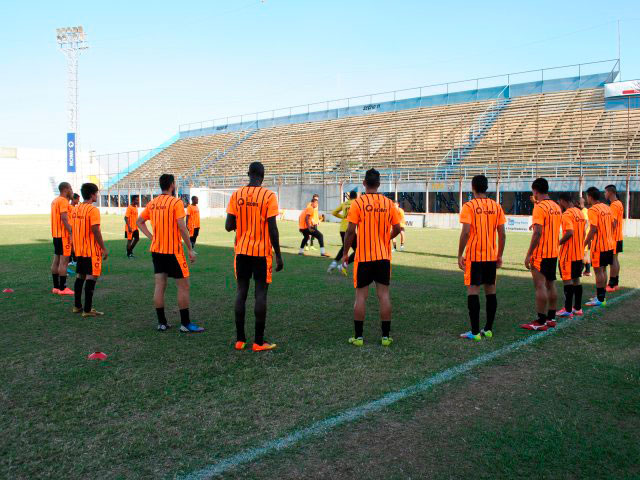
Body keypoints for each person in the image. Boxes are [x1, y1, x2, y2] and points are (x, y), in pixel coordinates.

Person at [225, 162, 284, 351]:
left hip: (241, 251)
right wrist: (279, 256)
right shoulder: (268, 196)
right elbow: (273, 229)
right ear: (263, 176)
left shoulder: (237, 194)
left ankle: (240, 340)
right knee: (260, 294)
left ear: (248, 174)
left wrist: (242, 222)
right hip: (261, 253)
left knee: (241, 293)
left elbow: (228, 225)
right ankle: (258, 342)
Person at [137, 174, 203, 333]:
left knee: (160, 285)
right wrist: (190, 249)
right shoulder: (176, 202)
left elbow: (139, 221)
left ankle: (162, 323)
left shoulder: (152, 203)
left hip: (157, 251)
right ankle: (185, 324)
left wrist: (152, 237)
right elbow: (182, 227)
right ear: (172, 185)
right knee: (183, 286)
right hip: (173, 251)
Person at [343, 168, 401, 347]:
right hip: (383, 256)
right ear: (379, 184)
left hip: (363, 257)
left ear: (364, 183)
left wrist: (345, 253)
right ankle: (385, 337)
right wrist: (387, 238)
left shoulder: (358, 203)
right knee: (383, 295)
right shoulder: (388, 203)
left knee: (361, 296)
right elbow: (398, 229)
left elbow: (351, 231)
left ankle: (358, 337)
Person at [457, 175, 506, 341]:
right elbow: (503, 233)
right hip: (491, 256)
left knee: (473, 291)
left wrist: (459, 254)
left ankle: (475, 332)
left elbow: (465, 232)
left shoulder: (469, 206)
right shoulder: (496, 206)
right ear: (486, 187)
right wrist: (499, 255)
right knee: (491, 291)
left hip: (474, 256)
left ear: (473, 187)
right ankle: (489, 329)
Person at [521, 178, 561, 331]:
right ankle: (551, 318)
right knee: (551, 284)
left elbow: (537, 232)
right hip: (553, 252)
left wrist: (529, 254)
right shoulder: (556, 206)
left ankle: (540, 321)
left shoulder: (539, 207)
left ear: (536, 191)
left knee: (540, 286)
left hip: (541, 253)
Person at [72, 183, 108, 317]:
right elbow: (95, 229)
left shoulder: (76, 208)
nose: (97, 195)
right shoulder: (93, 210)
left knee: (80, 276)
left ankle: (77, 306)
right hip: (91, 250)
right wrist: (103, 248)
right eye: (96, 193)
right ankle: (87, 310)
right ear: (92, 194)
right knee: (92, 277)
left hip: (80, 249)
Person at [584, 187, 615, 307]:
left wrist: (585, 243)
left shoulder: (593, 210)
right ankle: (601, 296)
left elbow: (593, 229)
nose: (587, 198)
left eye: (587, 196)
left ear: (590, 197)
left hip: (599, 246)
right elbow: (613, 224)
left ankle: (600, 299)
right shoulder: (607, 207)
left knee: (598, 271)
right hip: (609, 244)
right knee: (603, 270)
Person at [556, 193, 586, 318]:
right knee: (576, 280)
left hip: (568, 254)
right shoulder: (580, 213)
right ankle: (577, 308)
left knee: (567, 281)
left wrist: (558, 242)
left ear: (563, 201)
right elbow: (583, 232)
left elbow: (570, 232)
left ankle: (567, 309)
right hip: (578, 254)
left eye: (559, 202)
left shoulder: (567, 214)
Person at [50, 182, 74, 295]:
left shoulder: (55, 201)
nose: (71, 190)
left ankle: (56, 287)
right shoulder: (63, 201)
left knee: (56, 260)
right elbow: (64, 218)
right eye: (70, 188)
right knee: (64, 262)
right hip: (63, 235)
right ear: (66, 189)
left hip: (56, 235)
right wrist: (71, 232)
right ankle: (63, 288)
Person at [327, 190, 357, 274]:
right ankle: (343, 266)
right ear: (356, 197)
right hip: (351, 229)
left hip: (342, 229)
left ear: (349, 196)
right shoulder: (357, 203)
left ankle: (334, 263)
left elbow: (334, 212)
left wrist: (343, 217)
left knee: (345, 247)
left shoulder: (344, 203)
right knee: (359, 251)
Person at [605, 185, 623, 292]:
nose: (604, 194)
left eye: (605, 192)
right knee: (615, 260)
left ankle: (611, 285)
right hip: (618, 236)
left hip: (614, 237)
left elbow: (613, 223)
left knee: (613, 261)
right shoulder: (619, 203)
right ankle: (615, 283)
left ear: (611, 192)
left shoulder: (614, 205)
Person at [579, 197, 591, 276]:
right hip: (587, 235)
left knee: (583, 254)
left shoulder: (584, 211)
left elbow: (586, 222)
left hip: (585, 236)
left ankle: (581, 271)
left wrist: (582, 232)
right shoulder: (586, 210)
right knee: (586, 254)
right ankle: (587, 271)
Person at [69, 193, 80, 266]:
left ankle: (74, 260)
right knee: (71, 245)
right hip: (70, 229)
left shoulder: (76, 208)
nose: (78, 201)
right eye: (78, 199)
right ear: (73, 199)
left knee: (74, 245)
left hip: (75, 228)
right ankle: (70, 260)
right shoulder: (69, 207)